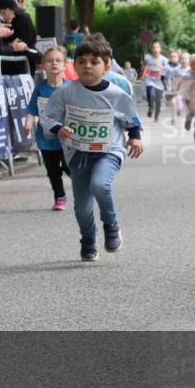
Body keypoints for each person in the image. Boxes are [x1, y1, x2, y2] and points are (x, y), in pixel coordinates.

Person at [41, 38, 143, 261]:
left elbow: (132, 119)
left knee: (100, 184)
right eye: (81, 61)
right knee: (82, 205)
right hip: (78, 154)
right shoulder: (66, 93)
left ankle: (111, 224)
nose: (87, 66)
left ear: (106, 66)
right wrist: (59, 128)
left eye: (94, 62)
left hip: (110, 150)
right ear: (74, 65)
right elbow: (48, 116)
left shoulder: (116, 94)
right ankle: (88, 239)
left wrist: (135, 138)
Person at [25, 46, 71, 211]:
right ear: (42, 65)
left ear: (65, 65)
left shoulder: (70, 88)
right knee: (53, 171)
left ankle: (83, 188)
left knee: (68, 166)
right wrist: (28, 122)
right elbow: (32, 109)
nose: (54, 63)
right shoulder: (40, 88)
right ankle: (60, 197)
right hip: (45, 138)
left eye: (58, 60)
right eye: (50, 61)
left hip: (67, 138)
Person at [5, 0, 39, 74]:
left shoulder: (0, 16)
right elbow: (29, 43)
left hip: (3, 65)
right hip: (22, 67)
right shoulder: (23, 18)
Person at [142, 41, 167, 122]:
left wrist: (162, 67)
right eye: (154, 47)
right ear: (152, 49)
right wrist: (143, 74)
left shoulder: (164, 59)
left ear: (160, 49)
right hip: (150, 80)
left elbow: (167, 70)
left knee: (158, 99)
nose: (155, 49)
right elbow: (146, 67)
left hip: (159, 81)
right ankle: (150, 107)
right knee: (150, 93)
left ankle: (157, 115)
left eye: (157, 47)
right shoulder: (148, 58)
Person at [179, 53, 195, 140]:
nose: (194, 66)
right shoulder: (187, 74)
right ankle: (188, 120)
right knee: (192, 113)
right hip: (188, 98)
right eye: (192, 64)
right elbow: (181, 83)